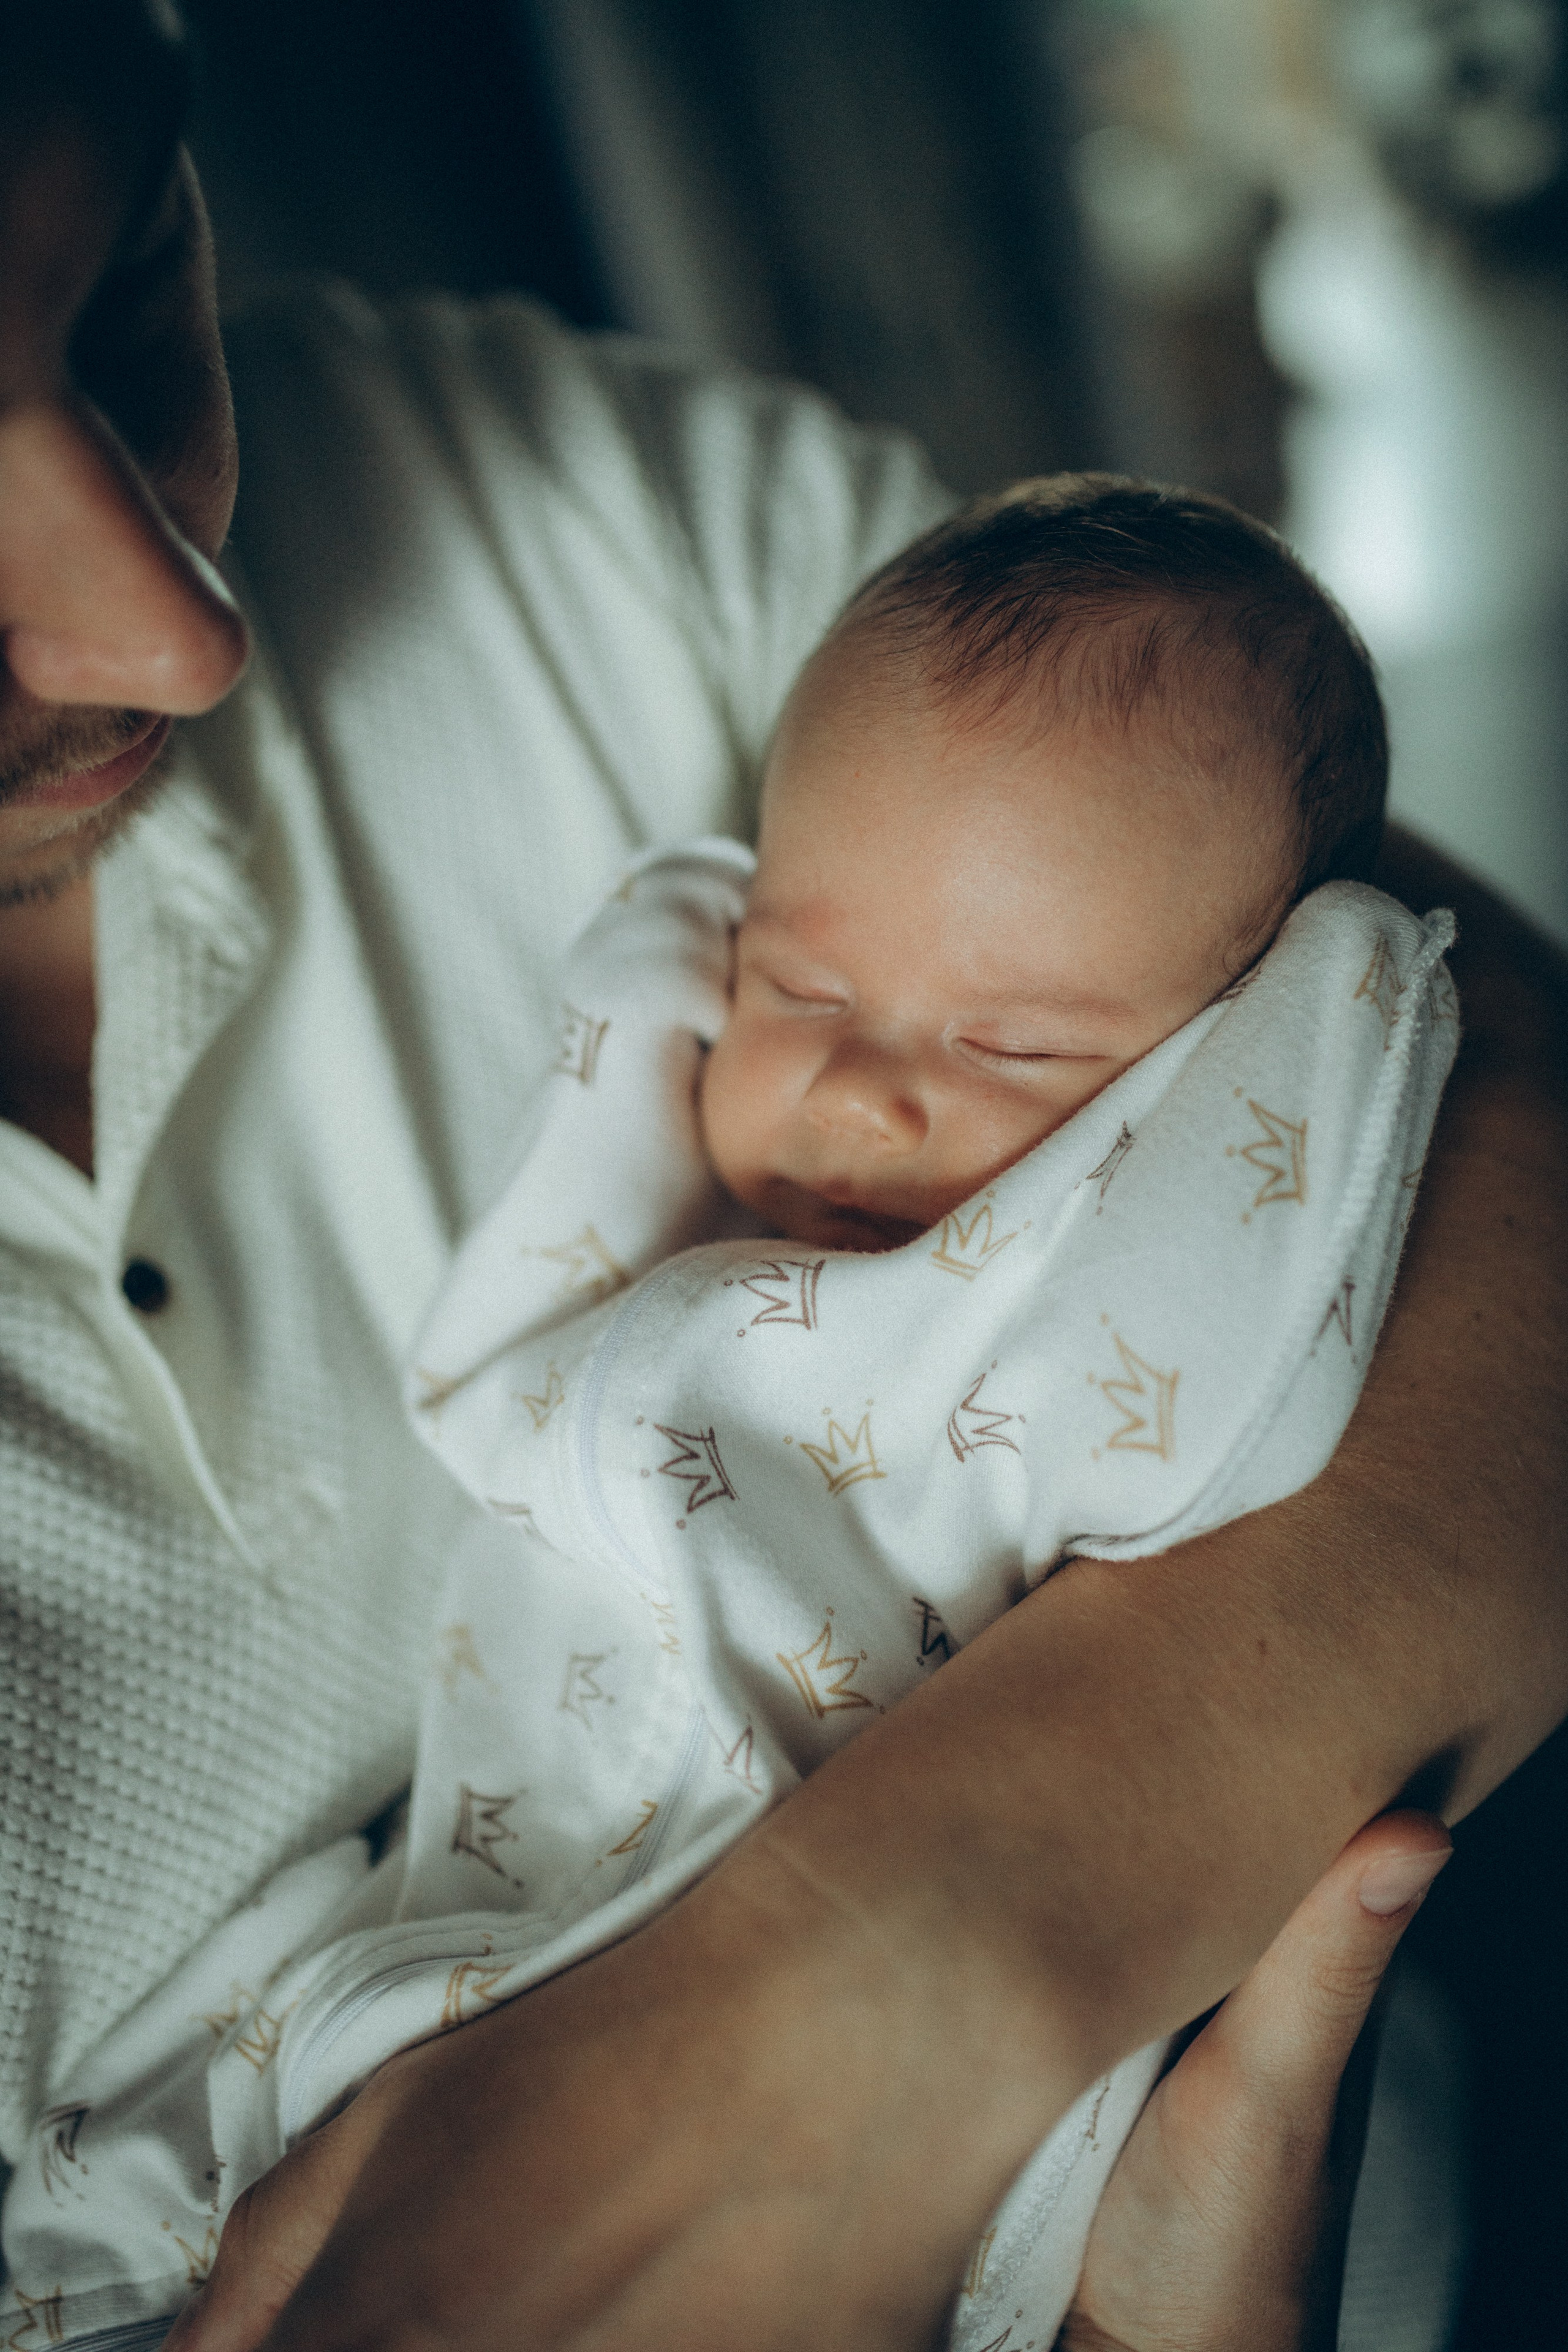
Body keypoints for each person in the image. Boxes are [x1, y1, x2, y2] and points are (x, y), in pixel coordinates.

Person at [1, 6, 1563, 2348]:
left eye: (135, 289)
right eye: (796, 986)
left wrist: (904, 1974)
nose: (171, 630)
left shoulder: (579, 509)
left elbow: (1499, 1124)